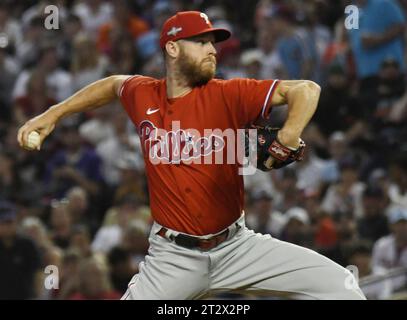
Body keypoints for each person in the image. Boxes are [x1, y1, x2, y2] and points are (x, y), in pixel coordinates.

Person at [17, 11, 365, 300]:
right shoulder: (143, 94)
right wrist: (52, 114)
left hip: (238, 247)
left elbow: (306, 89)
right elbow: (111, 84)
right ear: (172, 48)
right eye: (200, 42)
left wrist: (288, 135)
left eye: (213, 42)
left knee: (345, 290)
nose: (211, 49)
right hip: (172, 257)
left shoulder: (228, 94)